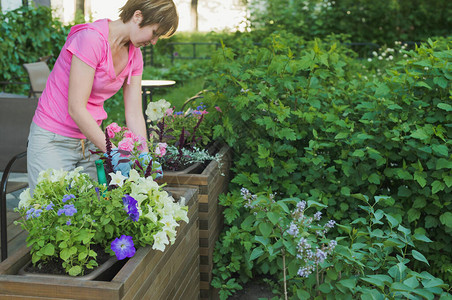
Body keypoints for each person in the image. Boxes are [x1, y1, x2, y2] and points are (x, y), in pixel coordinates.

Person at [27, 0, 178, 194]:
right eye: (155, 33)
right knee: (50, 215)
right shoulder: (91, 39)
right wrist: (113, 151)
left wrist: (144, 156)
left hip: (88, 141)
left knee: (90, 218)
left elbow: (133, 112)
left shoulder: (135, 55)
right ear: (138, 16)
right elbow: (76, 107)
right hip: (53, 139)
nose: (154, 41)